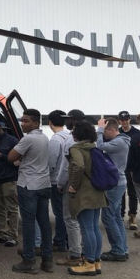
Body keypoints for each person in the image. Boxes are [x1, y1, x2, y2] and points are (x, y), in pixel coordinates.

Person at [7, 108, 53, 273]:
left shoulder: (28, 139)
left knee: (28, 223)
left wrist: (20, 157)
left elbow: (11, 156)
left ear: (35, 122)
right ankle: (47, 260)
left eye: (26, 121)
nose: (22, 124)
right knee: (44, 223)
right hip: (43, 183)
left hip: (29, 185)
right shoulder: (45, 138)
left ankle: (29, 260)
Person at [67, 122, 108, 276]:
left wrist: (73, 186)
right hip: (97, 192)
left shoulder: (76, 149)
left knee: (87, 228)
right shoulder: (94, 147)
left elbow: (78, 166)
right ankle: (96, 261)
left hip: (85, 194)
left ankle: (89, 262)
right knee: (94, 227)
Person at [96, 117, 131, 262]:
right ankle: (122, 248)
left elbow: (99, 146)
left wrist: (99, 130)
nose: (103, 134)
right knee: (116, 216)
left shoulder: (118, 142)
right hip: (118, 182)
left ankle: (118, 250)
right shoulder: (122, 141)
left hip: (115, 183)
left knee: (108, 216)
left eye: (105, 131)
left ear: (111, 130)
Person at [55, 109, 84, 266]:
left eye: (68, 119)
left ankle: (74, 254)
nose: (66, 121)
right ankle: (86, 251)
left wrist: (60, 183)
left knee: (70, 218)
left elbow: (65, 167)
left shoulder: (71, 139)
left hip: (71, 184)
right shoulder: (91, 138)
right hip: (86, 184)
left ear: (73, 120)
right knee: (83, 219)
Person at [0, 118, 20, 247]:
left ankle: (13, 235)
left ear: (0, 128)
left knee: (12, 208)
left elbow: (17, 160)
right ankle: (2, 233)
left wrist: (2, 156)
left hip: (9, 179)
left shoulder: (12, 141)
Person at [46, 110, 69, 253]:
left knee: (59, 213)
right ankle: (66, 239)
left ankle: (60, 241)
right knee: (66, 212)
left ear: (50, 123)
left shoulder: (55, 139)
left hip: (56, 181)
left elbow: (51, 163)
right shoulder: (69, 136)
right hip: (67, 179)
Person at [118, 110, 140, 230]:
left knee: (132, 193)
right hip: (120, 167)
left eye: (126, 120)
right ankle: (120, 216)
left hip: (132, 168)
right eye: (122, 120)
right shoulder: (118, 132)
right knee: (120, 193)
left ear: (129, 120)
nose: (124, 122)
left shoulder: (136, 133)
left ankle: (132, 216)